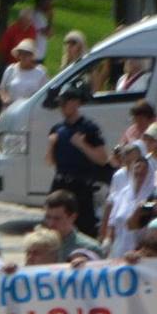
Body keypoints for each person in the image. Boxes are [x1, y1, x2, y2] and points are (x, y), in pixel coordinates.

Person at [46, 86, 108, 237]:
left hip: (81, 186)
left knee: (84, 227)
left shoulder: (89, 128)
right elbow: (50, 162)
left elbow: (102, 159)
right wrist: (51, 145)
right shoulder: (57, 128)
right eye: (60, 104)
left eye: (64, 103)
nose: (61, 107)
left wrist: (82, 146)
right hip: (61, 183)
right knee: (53, 226)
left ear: (76, 103)